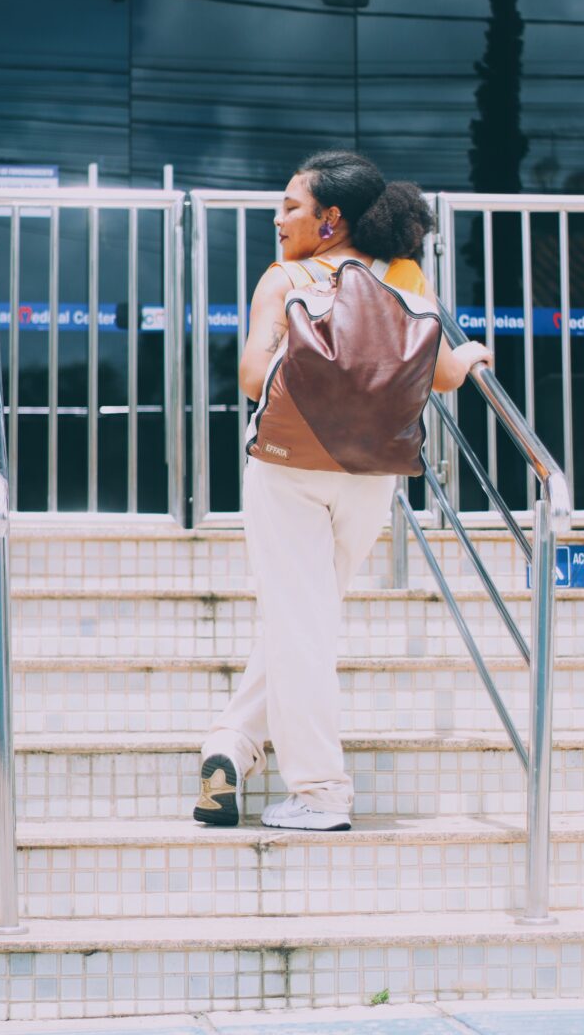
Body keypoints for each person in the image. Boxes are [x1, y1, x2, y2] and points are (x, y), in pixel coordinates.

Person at [193, 150, 492, 832]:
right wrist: (471, 355)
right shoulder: (403, 276)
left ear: (330, 219)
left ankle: (321, 791)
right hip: (370, 472)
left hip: (288, 466)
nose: (278, 218)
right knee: (309, 619)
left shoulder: (285, 278)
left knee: (300, 623)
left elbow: (251, 378)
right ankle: (232, 744)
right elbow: (443, 375)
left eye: (291, 207)